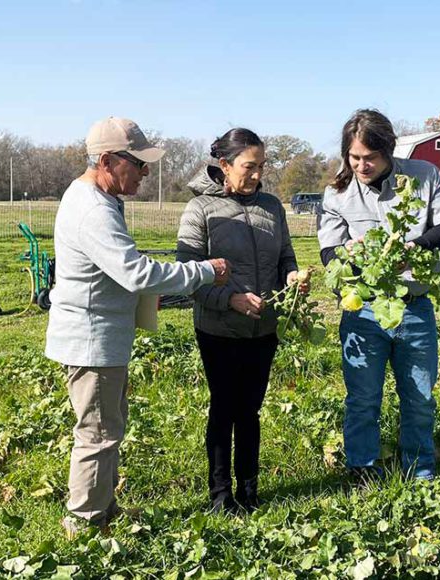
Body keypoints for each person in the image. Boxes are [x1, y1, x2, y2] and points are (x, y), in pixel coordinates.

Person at [46, 116, 230, 537]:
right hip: (92, 342)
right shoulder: (93, 208)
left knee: (107, 426)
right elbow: (136, 274)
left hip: (101, 338)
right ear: (108, 161)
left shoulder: (99, 199)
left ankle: (102, 509)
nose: (146, 172)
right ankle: (85, 525)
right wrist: (203, 272)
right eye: (139, 163)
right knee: (97, 432)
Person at [316, 109, 440, 482]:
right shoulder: (336, 193)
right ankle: (363, 469)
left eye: (370, 158)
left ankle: (419, 469)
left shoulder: (424, 176)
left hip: (414, 309)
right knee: (363, 400)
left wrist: (413, 248)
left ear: (389, 152)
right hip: (363, 313)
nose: (362, 166)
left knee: (420, 397)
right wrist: (354, 256)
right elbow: (329, 254)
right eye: (354, 157)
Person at [176, 128, 305, 513]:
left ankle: (250, 493)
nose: (256, 175)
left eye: (262, 166)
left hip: (264, 328)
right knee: (224, 408)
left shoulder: (272, 206)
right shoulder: (200, 209)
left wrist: (293, 277)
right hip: (219, 329)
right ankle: (220, 495)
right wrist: (229, 299)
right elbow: (187, 274)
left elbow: (285, 256)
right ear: (225, 165)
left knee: (250, 410)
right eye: (249, 166)